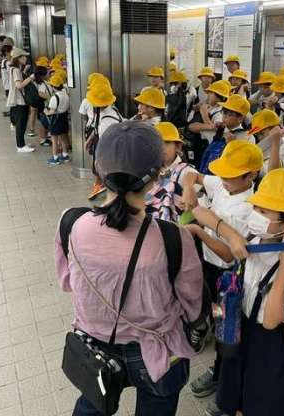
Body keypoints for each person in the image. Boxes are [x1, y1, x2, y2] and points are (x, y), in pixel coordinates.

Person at [55, 121, 203, 416]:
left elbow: (67, 282)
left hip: (94, 345)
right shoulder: (173, 238)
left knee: (92, 405)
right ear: (157, 175)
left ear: (98, 170)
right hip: (156, 353)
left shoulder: (70, 223)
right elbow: (192, 305)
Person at [215, 168, 284, 416]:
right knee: (236, 391)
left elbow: (272, 321)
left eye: (263, 212)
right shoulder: (255, 238)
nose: (255, 215)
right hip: (240, 330)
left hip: (269, 344)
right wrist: (221, 233)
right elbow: (201, 213)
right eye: (255, 208)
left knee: (262, 399)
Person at [182, 141, 264, 406]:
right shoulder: (224, 183)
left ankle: (220, 372)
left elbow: (229, 254)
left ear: (251, 176)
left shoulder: (248, 208)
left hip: (226, 275)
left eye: (230, 176)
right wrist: (189, 189)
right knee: (209, 309)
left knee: (225, 324)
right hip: (208, 264)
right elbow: (191, 175)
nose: (224, 180)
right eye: (223, 174)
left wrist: (199, 231)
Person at [145, 122, 198, 222]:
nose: (160, 147)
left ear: (178, 147)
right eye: (156, 144)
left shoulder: (186, 171)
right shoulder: (150, 171)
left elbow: (195, 210)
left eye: (166, 142)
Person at [85, 79, 123, 199]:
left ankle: (110, 194)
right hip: (110, 147)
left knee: (107, 173)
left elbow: (104, 144)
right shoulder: (109, 110)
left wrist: (98, 160)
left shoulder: (107, 120)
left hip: (108, 151)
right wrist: (90, 139)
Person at [199, 94, 254, 174]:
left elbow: (245, 163)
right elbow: (192, 127)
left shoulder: (247, 137)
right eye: (224, 112)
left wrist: (232, 145)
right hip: (206, 173)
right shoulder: (219, 129)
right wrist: (211, 127)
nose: (224, 116)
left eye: (229, 114)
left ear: (240, 118)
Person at [248, 109, 284, 176]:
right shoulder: (267, 145)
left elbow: (271, 172)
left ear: (275, 129)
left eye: (262, 133)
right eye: (257, 134)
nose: (259, 138)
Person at [7, 47, 36, 153]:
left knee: (20, 123)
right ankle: (20, 146)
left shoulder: (13, 69)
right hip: (20, 101)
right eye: (24, 56)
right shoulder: (16, 70)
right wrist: (31, 78)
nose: (26, 58)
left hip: (17, 100)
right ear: (18, 58)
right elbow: (19, 85)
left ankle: (21, 144)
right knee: (21, 124)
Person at [45, 71, 70, 165]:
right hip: (64, 117)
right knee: (63, 137)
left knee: (54, 139)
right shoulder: (66, 95)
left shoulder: (54, 97)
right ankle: (65, 155)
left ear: (53, 87)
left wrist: (46, 112)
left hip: (56, 119)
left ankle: (55, 157)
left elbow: (52, 111)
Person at [35, 65, 54, 147]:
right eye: (47, 73)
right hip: (44, 106)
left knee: (45, 123)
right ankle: (42, 139)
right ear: (43, 76)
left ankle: (45, 137)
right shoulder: (42, 84)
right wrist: (51, 98)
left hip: (45, 105)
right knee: (43, 123)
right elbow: (41, 93)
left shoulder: (44, 82)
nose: (48, 75)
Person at [0, 44, 13, 118]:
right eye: (11, 51)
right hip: (9, 85)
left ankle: (11, 111)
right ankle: (12, 112)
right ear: (7, 52)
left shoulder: (5, 61)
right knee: (11, 99)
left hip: (7, 85)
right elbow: (11, 72)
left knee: (10, 98)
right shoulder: (7, 62)